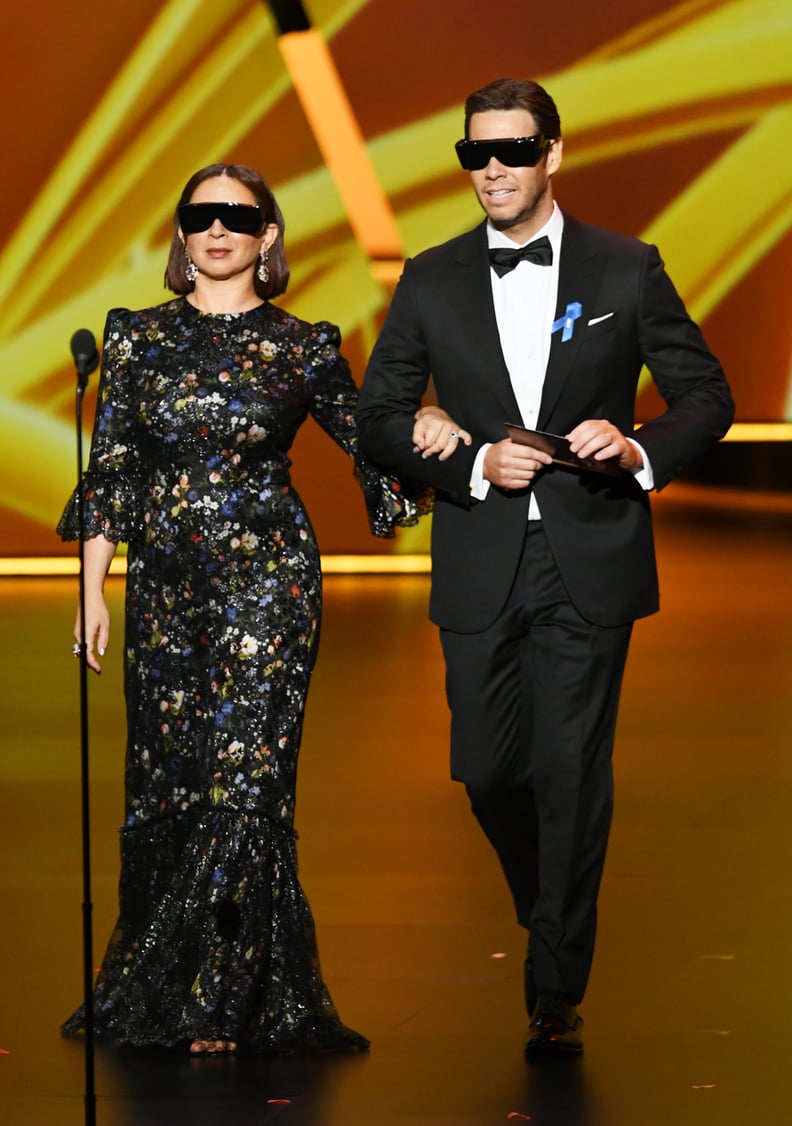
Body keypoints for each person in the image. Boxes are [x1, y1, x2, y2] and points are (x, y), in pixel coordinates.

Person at [356, 78, 734, 1058]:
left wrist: (638, 445)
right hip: (480, 549)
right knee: (484, 768)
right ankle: (548, 908)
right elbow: (380, 417)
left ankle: (555, 980)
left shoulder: (625, 268)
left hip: (589, 552)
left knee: (570, 768)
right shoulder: (431, 278)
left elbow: (704, 396)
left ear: (552, 155)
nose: (492, 170)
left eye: (513, 152)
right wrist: (474, 458)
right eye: (475, 154)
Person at [57, 162, 431, 1056]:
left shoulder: (303, 346)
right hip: (163, 590)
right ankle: (161, 974)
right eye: (201, 215)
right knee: (168, 776)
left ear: (268, 237)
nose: (217, 229)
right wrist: (91, 590)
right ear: (182, 235)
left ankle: (223, 994)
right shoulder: (136, 339)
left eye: (238, 215)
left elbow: (370, 434)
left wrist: (440, 436)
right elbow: (112, 470)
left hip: (269, 584)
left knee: (246, 779)